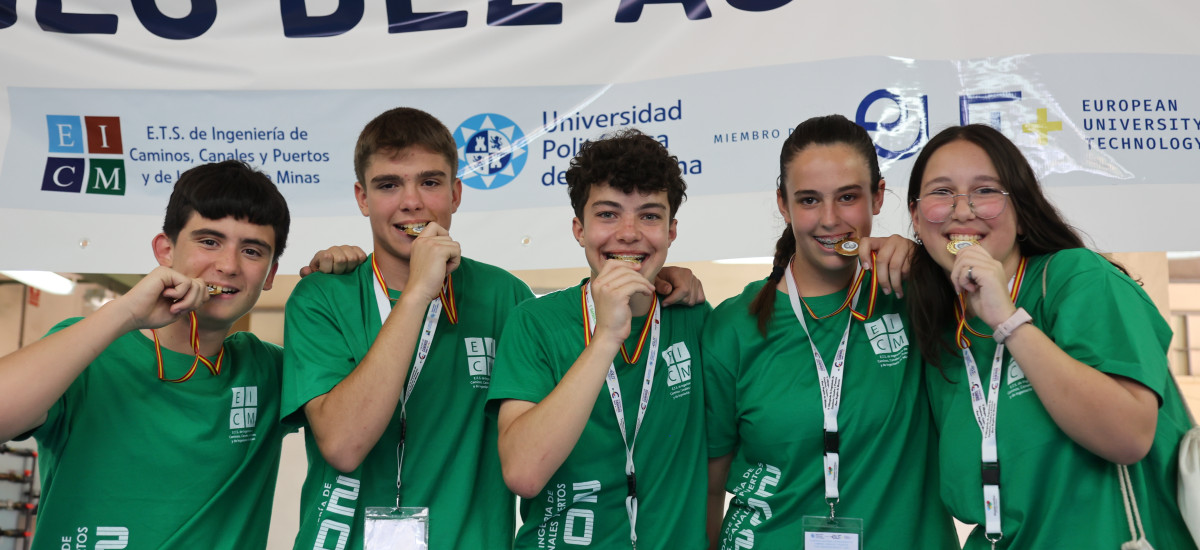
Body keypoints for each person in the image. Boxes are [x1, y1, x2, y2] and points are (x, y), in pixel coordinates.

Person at [282, 110, 704, 550]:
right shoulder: (320, 297)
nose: (411, 201)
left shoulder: (506, 298)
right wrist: (417, 294)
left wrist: (654, 277)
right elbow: (344, 446)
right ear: (362, 198)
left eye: (430, 182)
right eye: (389, 185)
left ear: (456, 193)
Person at [0, 160, 358, 549]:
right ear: (165, 251)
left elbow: (361, 419)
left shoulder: (270, 370)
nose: (228, 265)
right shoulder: (88, 349)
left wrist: (349, 293)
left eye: (252, 251)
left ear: (270, 275)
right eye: (209, 241)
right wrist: (124, 313)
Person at [906, 123, 1196, 549]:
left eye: (986, 190)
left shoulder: (1076, 278)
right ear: (916, 217)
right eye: (941, 192)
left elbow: (1128, 436)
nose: (962, 210)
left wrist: (1006, 320)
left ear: (1021, 212)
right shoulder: (944, 331)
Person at [702, 114, 958, 549]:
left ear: (878, 197)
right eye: (808, 200)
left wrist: (930, 260)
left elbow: (997, 273)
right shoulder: (733, 326)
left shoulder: (919, 295)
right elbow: (709, 490)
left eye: (847, 197)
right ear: (783, 204)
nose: (829, 219)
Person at [489, 129, 709, 549]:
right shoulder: (534, 322)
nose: (628, 233)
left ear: (672, 231)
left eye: (649, 215)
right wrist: (606, 336)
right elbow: (523, 473)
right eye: (608, 214)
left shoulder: (694, 318)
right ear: (579, 228)